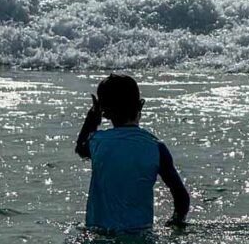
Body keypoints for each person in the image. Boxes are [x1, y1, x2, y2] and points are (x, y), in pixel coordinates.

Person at [75, 73, 190, 233]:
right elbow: (182, 198)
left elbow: (80, 148)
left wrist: (92, 118)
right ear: (140, 105)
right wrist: (175, 222)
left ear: (105, 113)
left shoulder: (97, 142)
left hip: (100, 234)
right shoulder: (156, 147)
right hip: (140, 235)